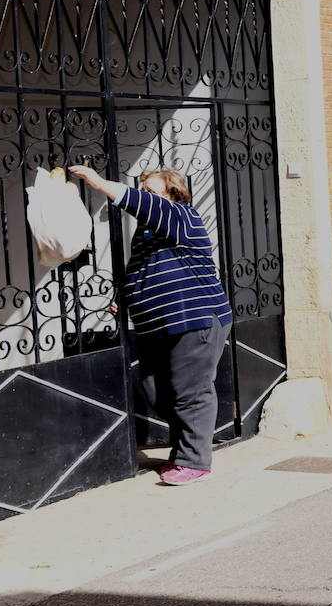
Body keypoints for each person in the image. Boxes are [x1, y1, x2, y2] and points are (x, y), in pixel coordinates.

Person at [70, 164, 232, 486]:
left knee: (191, 391)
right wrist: (127, 298)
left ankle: (194, 461)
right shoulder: (146, 233)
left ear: (173, 195)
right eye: (143, 190)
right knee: (155, 390)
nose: (146, 197)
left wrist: (102, 185)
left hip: (193, 320)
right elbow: (142, 269)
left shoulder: (181, 217)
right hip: (157, 327)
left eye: (151, 191)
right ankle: (186, 448)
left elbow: (147, 206)